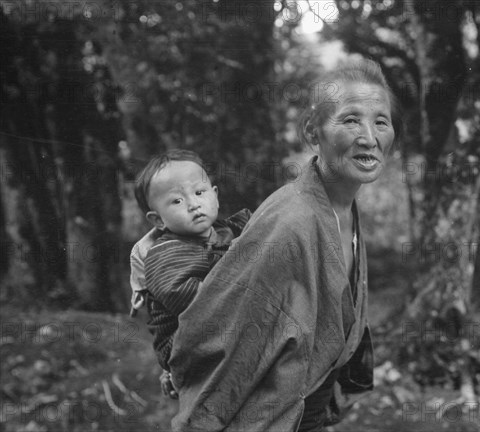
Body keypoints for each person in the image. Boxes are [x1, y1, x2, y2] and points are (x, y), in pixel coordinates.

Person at [165, 58, 399, 431]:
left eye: (381, 121)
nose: (369, 137)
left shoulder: (344, 206)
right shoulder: (290, 222)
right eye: (351, 119)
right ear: (313, 132)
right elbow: (219, 332)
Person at [129, 149, 251, 398]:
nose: (194, 204)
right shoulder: (167, 254)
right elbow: (193, 303)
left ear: (214, 196)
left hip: (222, 325)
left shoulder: (228, 229)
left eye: (199, 193)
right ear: (158, 220)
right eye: (177, 201)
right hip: (183, 343)